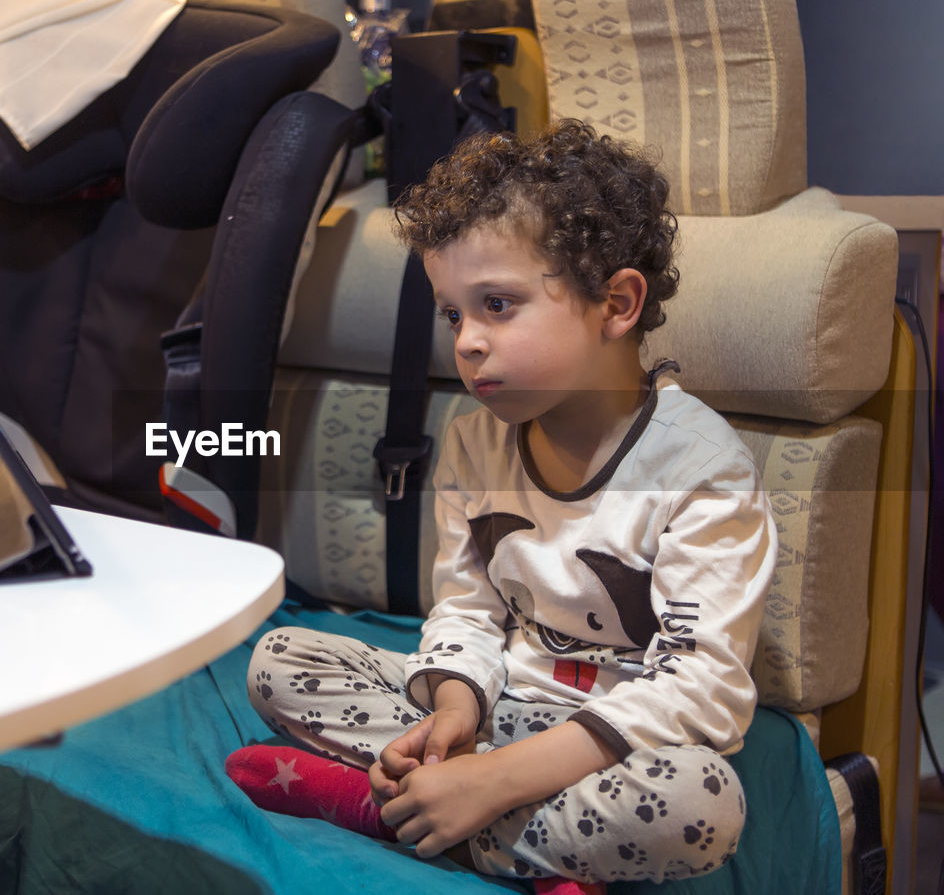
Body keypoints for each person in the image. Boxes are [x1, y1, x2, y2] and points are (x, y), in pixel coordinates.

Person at [225, 119, 777, 893]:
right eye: (454, 314)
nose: (468, 343)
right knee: (281, 661)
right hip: (499, 711)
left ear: (616, 303)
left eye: (497, 304)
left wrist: (497, 780)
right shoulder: (474, 446)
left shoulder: (700, 469)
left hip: (615, 747)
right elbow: (466, 611)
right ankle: (516, 836)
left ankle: (381, 808)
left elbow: (703, 689)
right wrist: (452, 709)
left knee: (700, 805)